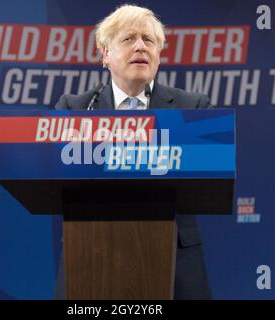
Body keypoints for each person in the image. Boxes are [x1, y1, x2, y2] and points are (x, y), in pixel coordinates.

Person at [54, 4, 212, 300]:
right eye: (128, 39)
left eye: (149, 40)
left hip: (175, 263)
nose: (141, 46)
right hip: (90, 255)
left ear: (159, 54)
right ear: (105, 54)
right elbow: (50, 173)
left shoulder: (193, 109)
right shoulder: (74, 109)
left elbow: (209, 174)